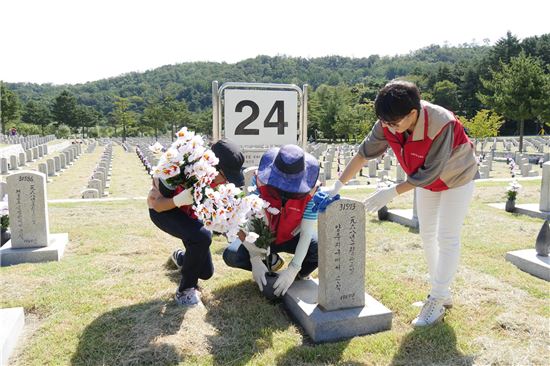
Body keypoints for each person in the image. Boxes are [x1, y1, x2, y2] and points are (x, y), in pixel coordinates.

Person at [321, 80, 479, 326]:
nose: (388, 128)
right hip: (425, 181)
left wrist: (391, 192)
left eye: (394, 123)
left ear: (413, 113)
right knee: (427, 234)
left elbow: (429, 173)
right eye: (384, 122)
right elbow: (364, 153)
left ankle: (437, 299)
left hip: (457, 177)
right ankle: (441, 293)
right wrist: (338, 185)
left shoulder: (441, 122)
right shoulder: (387, 121)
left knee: (447, 236)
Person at [147, 138, 245, 306]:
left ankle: (181, 258)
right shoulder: (176, 167)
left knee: (206, 272)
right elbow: (157, 205)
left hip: (190, 213)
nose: (226, 182)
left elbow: (229, 217)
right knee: (202, 236)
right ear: (212, 165)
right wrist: (179, 200)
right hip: (164, 211)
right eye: (226, 176)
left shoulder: (216, 180)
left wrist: (256, 251)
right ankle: (184, 291)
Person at [223, 144, 320, 297]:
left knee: (322, 248)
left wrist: (294, 269)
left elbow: (307, 232)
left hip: (292, 236)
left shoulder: (312, 192)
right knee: (232, 254)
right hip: (261, 236)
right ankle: (272, 262)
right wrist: (255, 257)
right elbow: (249, 219)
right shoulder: (259, 181)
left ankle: (298, 276)